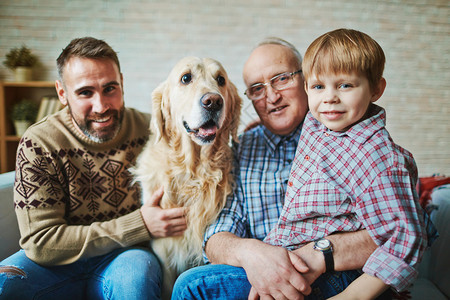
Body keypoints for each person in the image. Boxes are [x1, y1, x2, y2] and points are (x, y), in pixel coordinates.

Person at [172, 37, 380, 300]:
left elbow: (399, 229)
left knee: (193, 287)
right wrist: (254, 256)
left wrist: (321, 253)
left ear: (306, 80)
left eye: (282, 78)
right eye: (257, 89)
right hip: (262, 275)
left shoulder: (345, 132)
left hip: (339, 276)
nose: (271, 96)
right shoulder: (242, 149)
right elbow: (218, 232)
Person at [0, 37, 187, 299]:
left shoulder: (150, 129)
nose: (101, 106)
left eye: (110, 88)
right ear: (62, 93)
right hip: (54, 265)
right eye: (85, 92)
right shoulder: (39, 143)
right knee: (5, 283)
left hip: (126, 256)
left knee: (136, 279)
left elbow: (199, 144)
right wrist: (139, 224)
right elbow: (40, 244)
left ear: (122, 82)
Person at [264, 28, 428, 299]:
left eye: (345, 85)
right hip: (295, 258)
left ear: (376, 89)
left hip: (341, 279)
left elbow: (406, 236)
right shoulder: (319, 123)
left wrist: (352, 296)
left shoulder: (376, 156)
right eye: (318, 86)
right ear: (307, 89)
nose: (330, 97)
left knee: (195, 285)